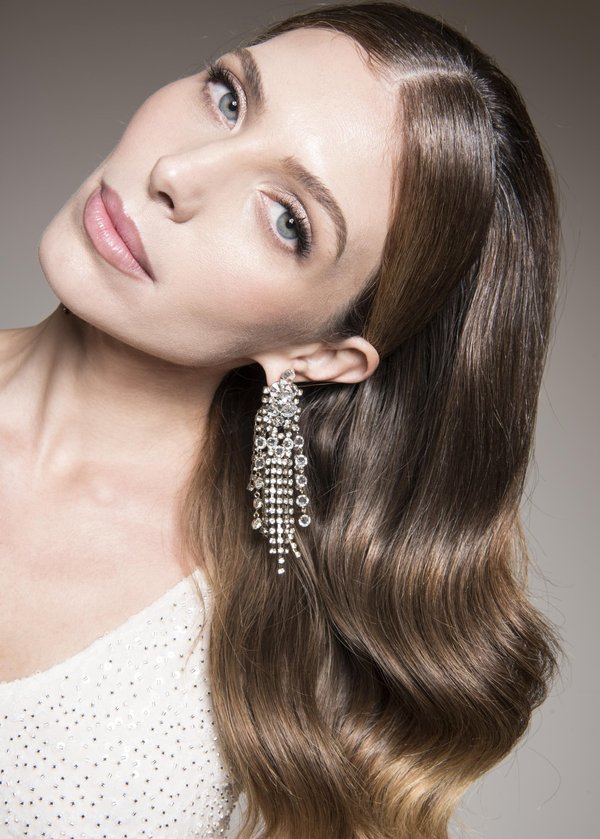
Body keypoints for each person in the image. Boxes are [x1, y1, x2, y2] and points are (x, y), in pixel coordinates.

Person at [0, 2, 560, 837]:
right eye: (228, 98)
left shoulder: (279, 664)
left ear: (323, 353)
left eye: (288, 219)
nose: (178, 172)